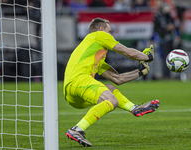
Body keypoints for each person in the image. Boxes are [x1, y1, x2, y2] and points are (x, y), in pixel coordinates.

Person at [64, 18, 160, 147]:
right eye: (110, 31)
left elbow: (117, 79)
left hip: (71, 95)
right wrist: (148, 57)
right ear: (101, 29)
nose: (111, 35)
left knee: (109, 88)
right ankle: (77, 129)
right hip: (80, 80)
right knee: (112, 101)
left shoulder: (93, 55)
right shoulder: (99, 35)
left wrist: (140, 72)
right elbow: (129, 52)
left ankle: (134, 108)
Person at [153, 2, 178, 78]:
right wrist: (165, 28)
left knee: (171, 58)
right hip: (162, 40)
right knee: (164, 58)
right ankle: (165, 75)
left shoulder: (170, 16)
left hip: (170, 39)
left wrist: (173, 27)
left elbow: (175, 26)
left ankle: (171, 74)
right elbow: (156, 29)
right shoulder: (158, 16)